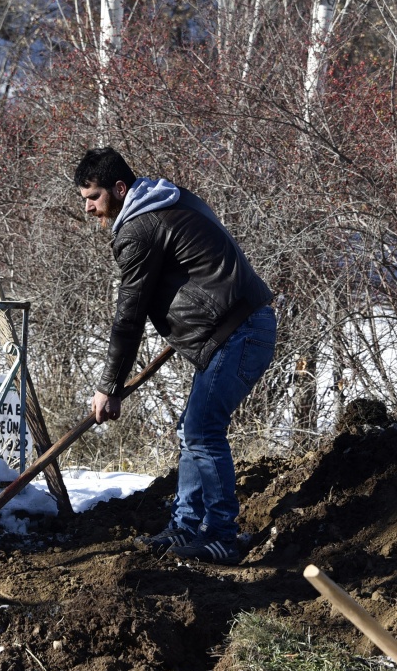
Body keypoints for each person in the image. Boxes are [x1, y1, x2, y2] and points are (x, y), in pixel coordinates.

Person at [76, 147, 277, 564]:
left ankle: (222, 533)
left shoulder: (138, 228)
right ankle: (186, 526)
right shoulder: (171, 197)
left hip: (237, 332)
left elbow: (127, 316)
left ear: (118, 188)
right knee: (192, 430)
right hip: (240, 325)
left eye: (93, 198)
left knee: (203, 432)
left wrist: (109, 387)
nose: (90, 209)